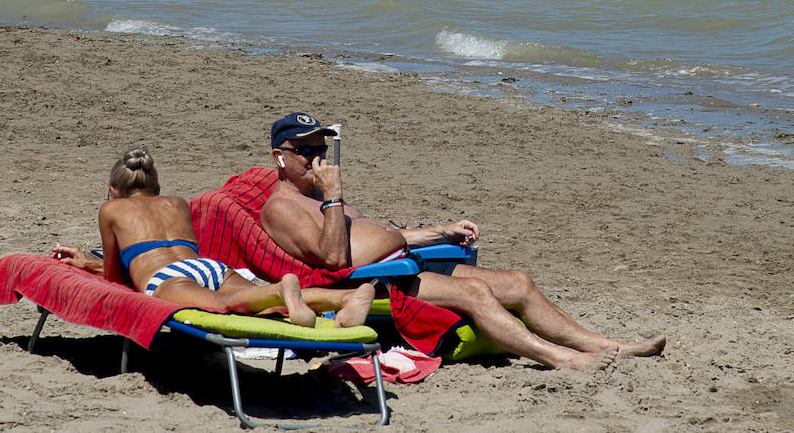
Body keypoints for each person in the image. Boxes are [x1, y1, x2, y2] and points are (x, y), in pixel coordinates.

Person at [259, 113, 665, 371]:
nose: (318, 158)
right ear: (280, 157)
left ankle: (609, 344)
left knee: (519, 282)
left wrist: (440, 231)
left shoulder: (316, 195)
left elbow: (374, 236)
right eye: (306, 150)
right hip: (380, 281)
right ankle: (563, 359)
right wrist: (334, 195)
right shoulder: (283, 208)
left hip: (407, 260)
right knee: (474, 291)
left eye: (321, 148)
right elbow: (333, 257)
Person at [51, 146, 374, 328]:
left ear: (113, 190)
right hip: (209, 267)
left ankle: (283, 291)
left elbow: (117, 279)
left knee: (226, 305)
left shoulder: (112, 209)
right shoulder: (177, 203)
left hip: (167, 278)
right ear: (156, 189)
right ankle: (345, 298)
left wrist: (87, 266)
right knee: (257, 303)